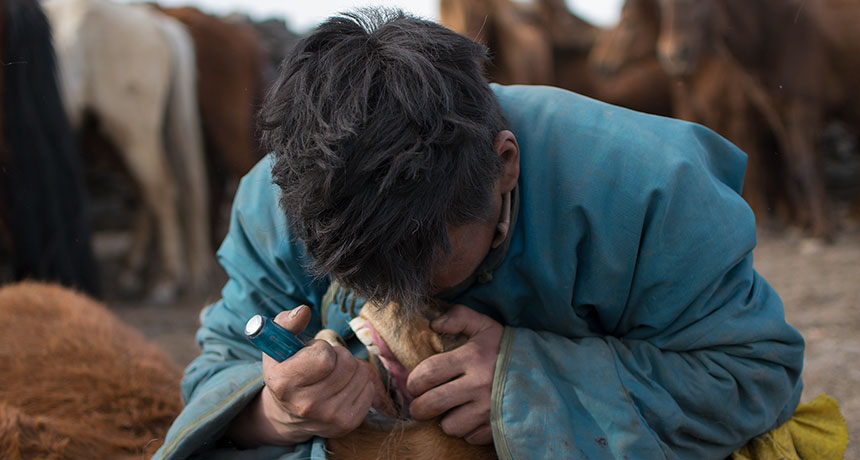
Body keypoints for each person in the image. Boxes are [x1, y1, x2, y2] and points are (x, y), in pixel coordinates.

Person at [154, 8, 803, 460]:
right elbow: (216, 372)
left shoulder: (651, 193)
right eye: (365, 276)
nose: (398, 304)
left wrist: (528, 383)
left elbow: (756, 374)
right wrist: (275, 412)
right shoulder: (283, 195)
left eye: (425, 262)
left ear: (505, 165)